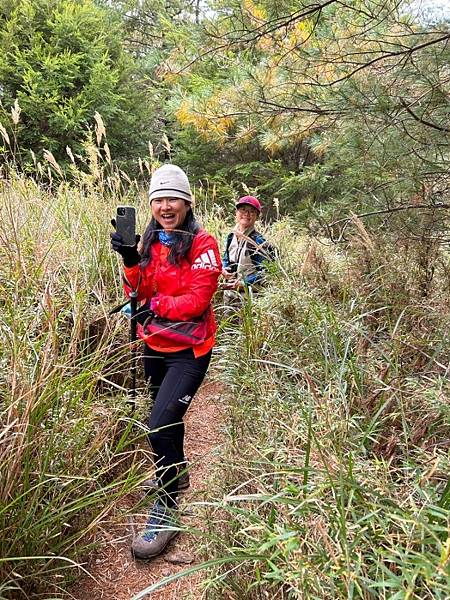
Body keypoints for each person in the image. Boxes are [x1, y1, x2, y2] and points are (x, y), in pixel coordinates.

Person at [110, 164, 221, 559]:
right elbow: (138, 290)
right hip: (154, 344)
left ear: (187, 202)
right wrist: (129, 260)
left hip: (189, 351)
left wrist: (152, 307)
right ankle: (173, 475)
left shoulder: (204, 244)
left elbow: (197, 300)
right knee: (164, 422)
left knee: (159, 425)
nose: (164, 206)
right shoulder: (151, 242)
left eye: (172, 198)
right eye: (158, 199)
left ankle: (168, 508)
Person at [221, 195, 271, 312]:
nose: (246, 214)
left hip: (250, 297)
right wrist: (223, 269)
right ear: (236, 212)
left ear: (257, 217)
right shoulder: (231, 236)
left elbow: (265, 272)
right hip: (229, 294)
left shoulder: (258, 242)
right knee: (228, 327)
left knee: (246, 329)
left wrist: (244, 282)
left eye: (252, 211)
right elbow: (226, 258)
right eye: (243, 209)